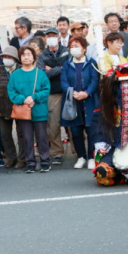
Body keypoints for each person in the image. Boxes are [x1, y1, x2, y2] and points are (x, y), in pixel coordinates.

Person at [7, 43, 50, 173]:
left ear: (33, 57)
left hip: (39, 110)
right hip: (23, 112)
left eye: (29, 54)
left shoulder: (40, 73)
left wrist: (34, 97)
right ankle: (30, 162)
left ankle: (45, 161)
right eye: (23, 55)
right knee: (26, 138)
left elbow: (46, 90)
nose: (26, 57)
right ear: (20, 58)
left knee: (42, 137)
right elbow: (11, 92)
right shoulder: (15, 75)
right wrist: (23, 99)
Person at [61, 35, 100, 170]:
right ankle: (81, 157)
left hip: (89, 101)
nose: (74, 48)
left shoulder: (91, 62)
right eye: (72, 46)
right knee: (76, 131)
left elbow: (95, 80)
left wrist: (87, 92)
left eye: (76, 46)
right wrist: (72, 93)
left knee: (91, 130)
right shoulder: (67, 64)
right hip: (73, 101)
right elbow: (63, 81)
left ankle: (91, 157)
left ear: (84, 48)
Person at [39, 25, 69, 167]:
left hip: (68, 91)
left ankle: (78, 152)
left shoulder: (66, 51)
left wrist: (52, 69)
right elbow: (42, 74)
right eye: (48, 36)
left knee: (72, 123)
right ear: (45, 38)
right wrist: (60, 68)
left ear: (58, 37)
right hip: (52, 92)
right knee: (53, 125)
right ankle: (57, 153)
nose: (51, 38)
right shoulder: (42, 55)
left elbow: (69, 68)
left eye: (53, 35)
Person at [0, 46, 21, 170]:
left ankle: (22, 159)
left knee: (22, 134)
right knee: (5, 134)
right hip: (3, 107)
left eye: (9, 57)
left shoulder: (21, 69)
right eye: (4, 57)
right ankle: (11, 158)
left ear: (15, 58)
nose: (6, 59)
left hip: (19, 106)